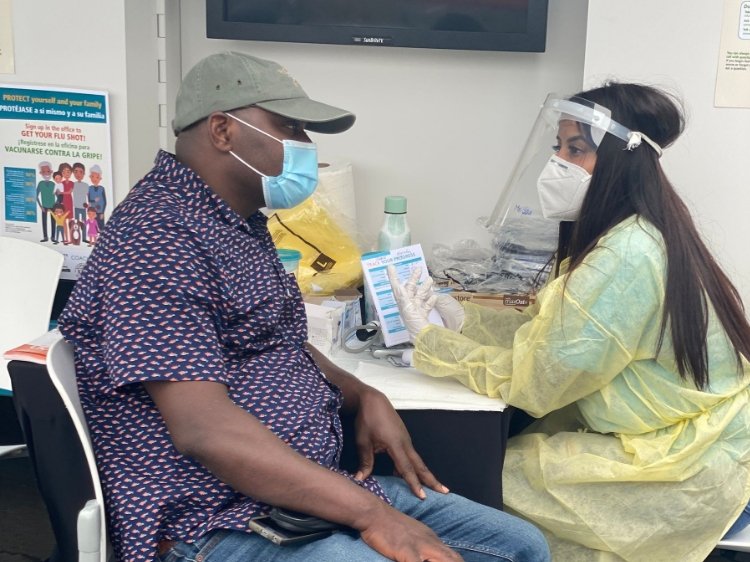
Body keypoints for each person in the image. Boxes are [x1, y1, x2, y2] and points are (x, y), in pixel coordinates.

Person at [57, 51, 549, 562]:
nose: (306, 147)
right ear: (222, 131)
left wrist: (361, 392)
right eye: (289, 126)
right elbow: (204, 430)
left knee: (519, 546)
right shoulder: (158, 238)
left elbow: (275, 340)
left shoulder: (236, 224)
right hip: (213, 518)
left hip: (295, 499)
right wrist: (374, 515)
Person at [388, 82, 750, 562]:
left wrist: (435, 343)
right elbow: (550, 333)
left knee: (466, 480)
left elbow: (540, 381)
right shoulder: (633, 234)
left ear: (621, 158)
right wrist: (466, 320)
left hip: (683, 467)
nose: (558, 162)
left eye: (575, 149)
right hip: (691, 441)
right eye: (557, 147)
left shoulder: (624, 256)